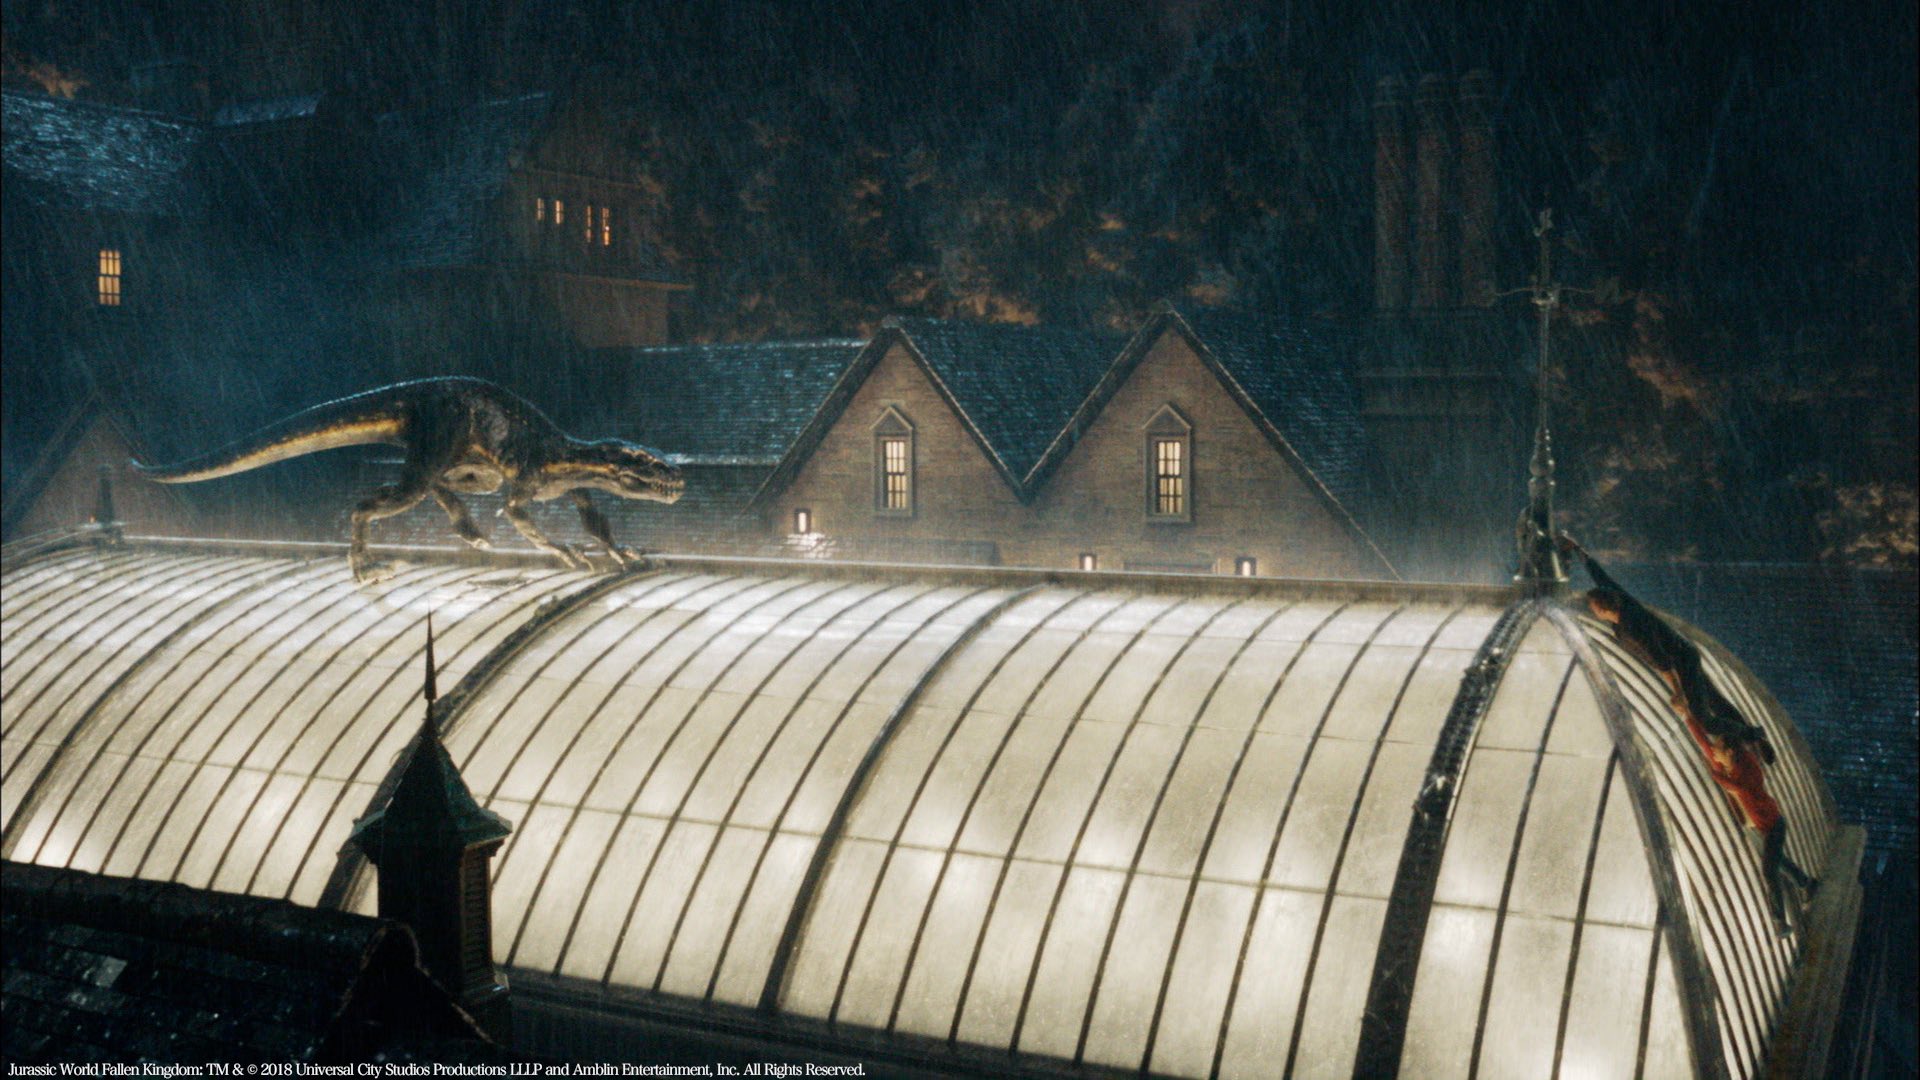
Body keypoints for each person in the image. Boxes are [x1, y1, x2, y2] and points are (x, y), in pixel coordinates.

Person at [1562, 535, 1815, 935]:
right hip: (1684, 657)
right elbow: (1604, 579)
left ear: (1605, 609)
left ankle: (1752, 731)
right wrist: (1581, 554)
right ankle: (1803, 882)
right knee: (1709, 716)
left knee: (1709, 720)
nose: (1593, 611)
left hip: (1682, 663)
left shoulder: (1632, 626)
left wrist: (1678, 694)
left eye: (1595, 608)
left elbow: (1662, 661)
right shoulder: (1625, 605)